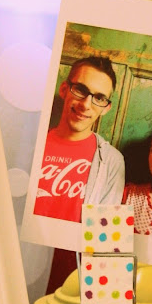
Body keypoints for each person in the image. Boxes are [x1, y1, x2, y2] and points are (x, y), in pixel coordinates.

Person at [33, 56, 125, 223]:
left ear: (106, 108)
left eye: (99, 98)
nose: (86, 105)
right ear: (64, 89)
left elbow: (106, 235)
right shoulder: (30, 143)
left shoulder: (112, 161)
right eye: (81, 90)